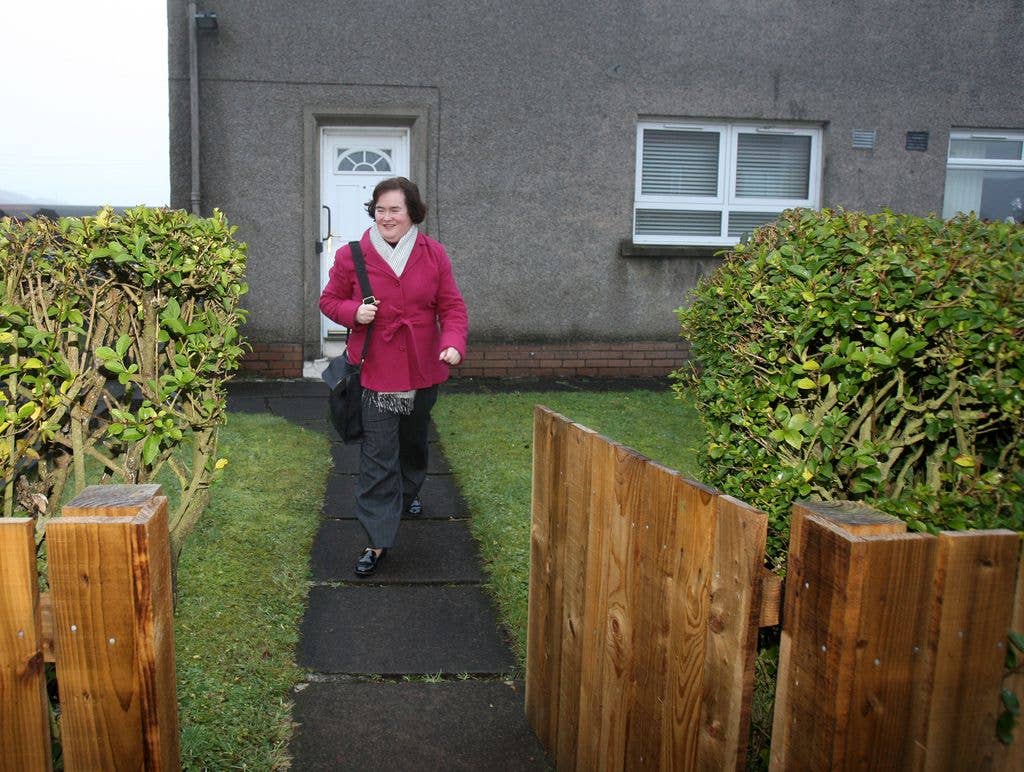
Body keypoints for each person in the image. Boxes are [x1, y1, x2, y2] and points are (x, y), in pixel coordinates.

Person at [319, 177, 468, 576]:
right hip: (375, 374)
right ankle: (377, 539)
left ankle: (409, 490)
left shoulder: (433, 254)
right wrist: (354, 313)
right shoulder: (353, 255)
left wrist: (452, 342)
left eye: (395, 209)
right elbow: (329, 300)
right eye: (380, 209)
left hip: (423, 370)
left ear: (412, 212)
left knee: (413, 443)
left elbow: (452, 307)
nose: (386, 217)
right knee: (377, 457)